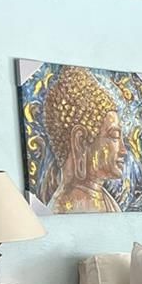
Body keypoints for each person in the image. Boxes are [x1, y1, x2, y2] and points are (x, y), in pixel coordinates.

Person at [43, 66, 126, 213]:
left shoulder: (108, 204)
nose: (123, 151)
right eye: (114, 136)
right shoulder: (63, 208)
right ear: (80, 142)